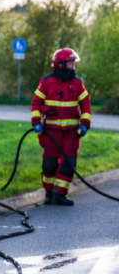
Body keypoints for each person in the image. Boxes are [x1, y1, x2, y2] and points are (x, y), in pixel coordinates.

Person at [30, 48, 91, 206]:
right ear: (61, 63)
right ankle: (49, 193)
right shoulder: (46, 82)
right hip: (51, 133)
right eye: (71, 62)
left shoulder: (77, 83)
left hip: (71, 133)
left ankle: (60, 195)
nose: (73, 66)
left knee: (69, 163)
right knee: (49, 163)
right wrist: (36, 122)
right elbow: (36, 103)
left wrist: (85, 123)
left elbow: (85, 104)